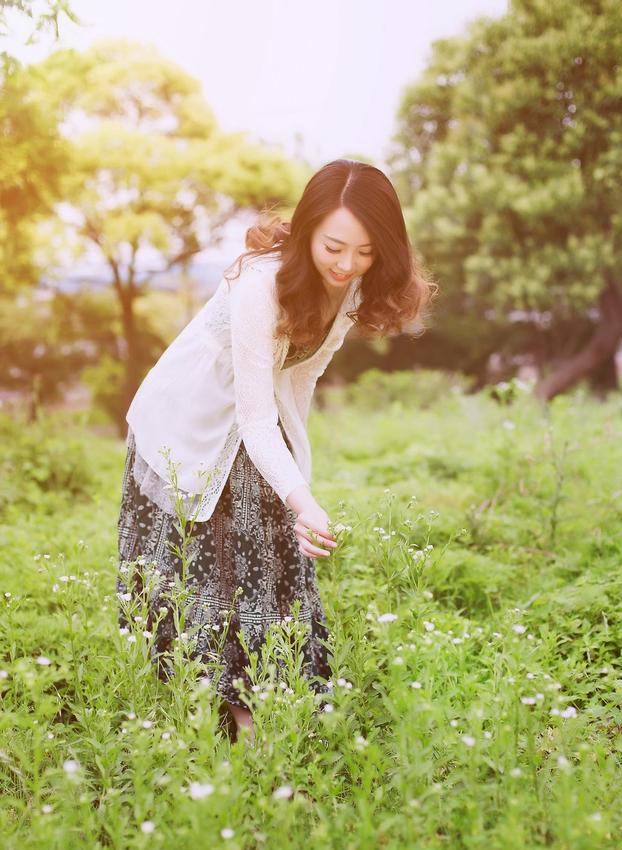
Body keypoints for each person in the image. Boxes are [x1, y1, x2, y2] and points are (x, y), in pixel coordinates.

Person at [116, 157, 435, 744]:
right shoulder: (260, 285)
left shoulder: (349, 290)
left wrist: (299, 490)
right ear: (310, 228)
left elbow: (300, 384)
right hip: (190, 414)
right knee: (211, 555)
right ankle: (234, 714)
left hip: (254, 417)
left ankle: (275, 693)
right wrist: (299, 496)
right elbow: (254, 413)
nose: (347, 266)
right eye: (335, 247)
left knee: (273, 541)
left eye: (365, 253)